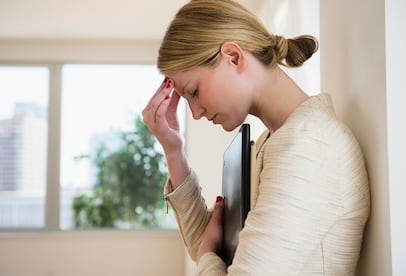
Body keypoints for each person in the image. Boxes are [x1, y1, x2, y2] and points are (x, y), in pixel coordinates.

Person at [142, 0, 370, 275]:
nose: (196, 112)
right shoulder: (270, 144)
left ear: (234, 57)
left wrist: (206, 257)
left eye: (193, 92)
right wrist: (173, 150)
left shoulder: (309, 145)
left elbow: (209, 256)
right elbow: (210, 247)